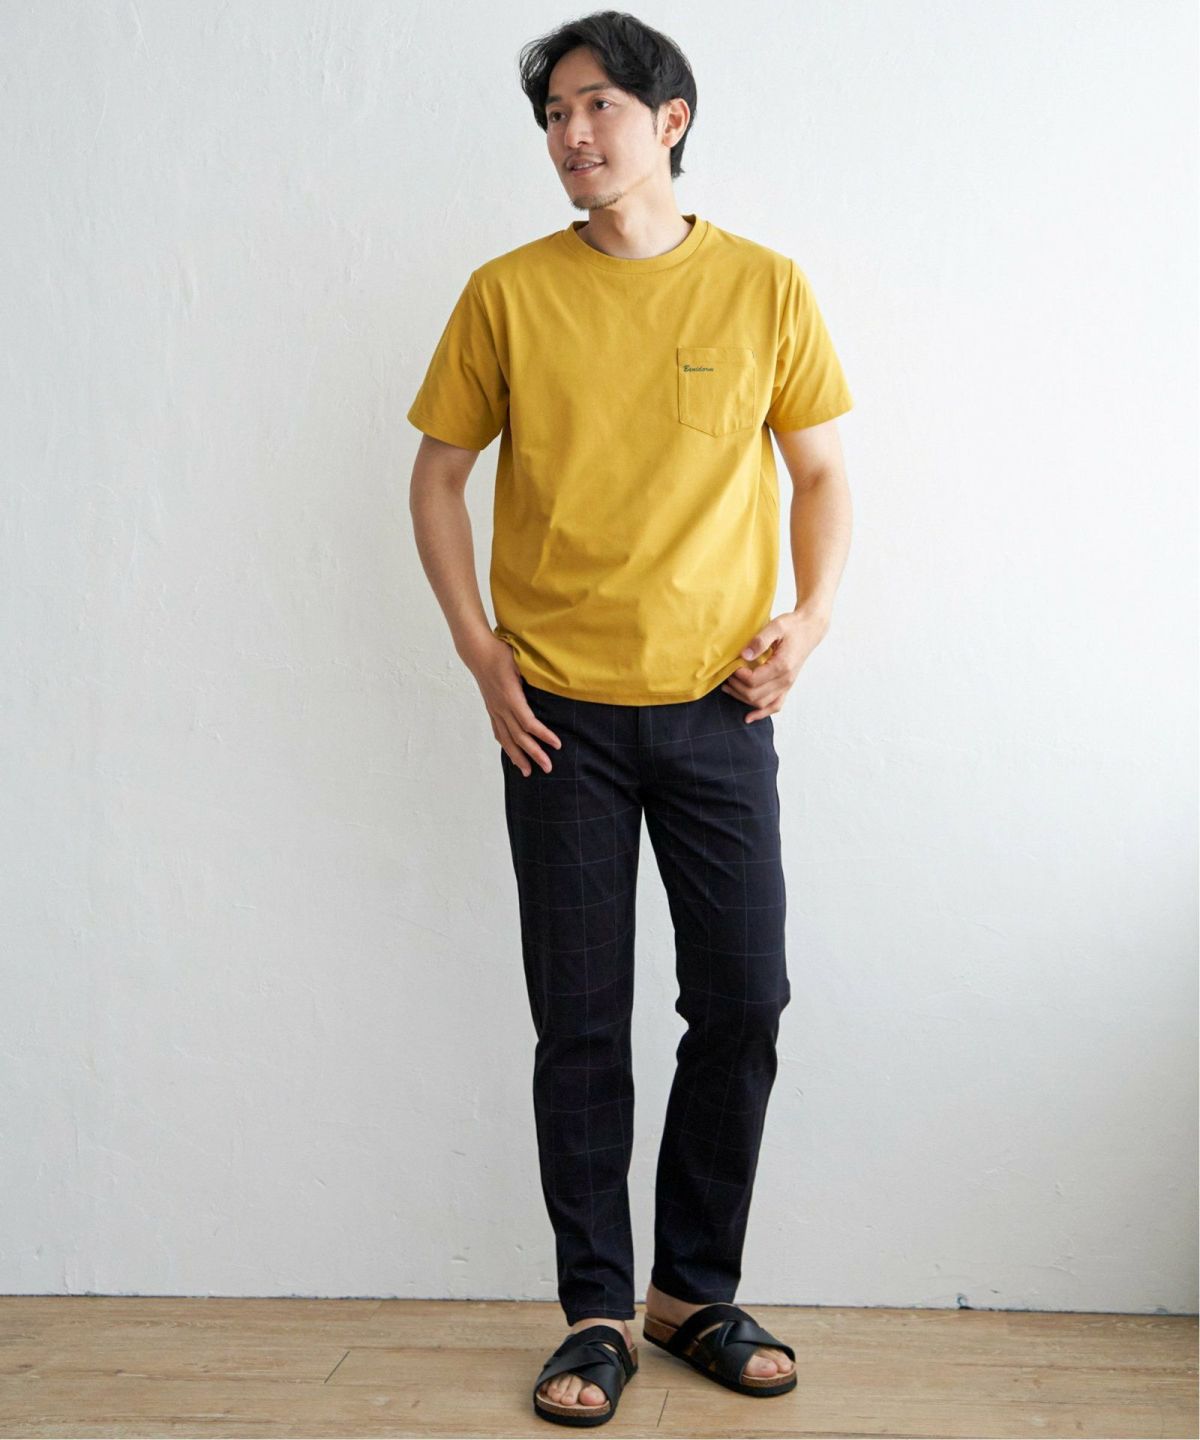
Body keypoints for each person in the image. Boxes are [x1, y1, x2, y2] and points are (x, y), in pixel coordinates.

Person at [406, 10, 853, 1427]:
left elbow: (820, 475)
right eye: (553, 115)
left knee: (744, 1000)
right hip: (560, 720)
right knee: (582, 1023)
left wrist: (809, 621)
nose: (570, 134)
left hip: (721, 707)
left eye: (596, 105)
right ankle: (597, 1309)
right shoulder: (506, 295)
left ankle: (691, 1292)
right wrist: (481, 652)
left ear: (670, 119)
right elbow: (436, 477)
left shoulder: (765, 286)